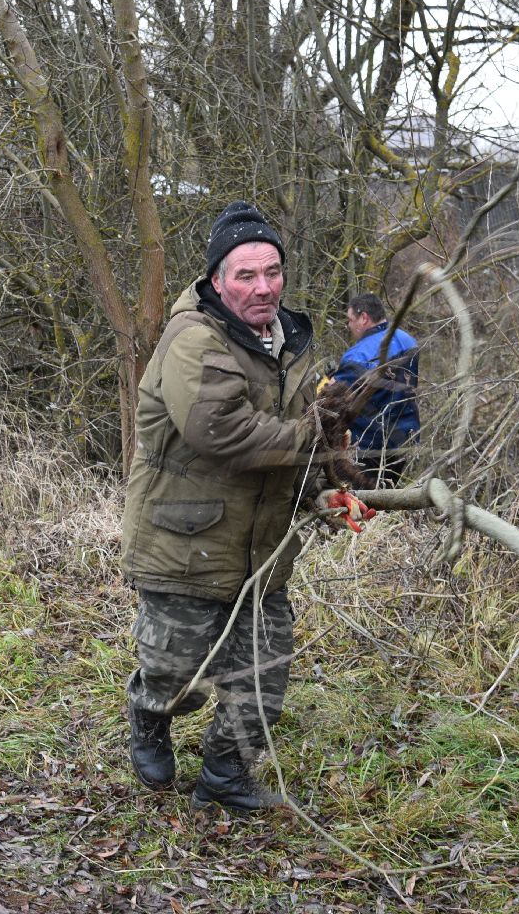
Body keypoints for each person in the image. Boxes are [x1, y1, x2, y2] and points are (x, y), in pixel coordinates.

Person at [120, 201, 357, 813]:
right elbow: (221, 432)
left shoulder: (292, 342)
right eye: (246, 275)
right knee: (177, 677)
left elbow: (297, 440)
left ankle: (224, 776)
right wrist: (315, 432)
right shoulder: (193, 338)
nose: (263, 287)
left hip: (262, 547)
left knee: (263, 680)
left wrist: (324, 491)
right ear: (217, 279)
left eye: (272, 272)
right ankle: (149, 714)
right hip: (184, 541)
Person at [328, 292, 420, 489]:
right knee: (388, 491)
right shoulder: (408, 341)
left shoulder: (358, 356)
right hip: (405, 436)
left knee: (361, 498)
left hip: (369, 444)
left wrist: (330, 382)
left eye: (350, 320)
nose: (349, 325)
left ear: (364, 318)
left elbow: (335, 396)